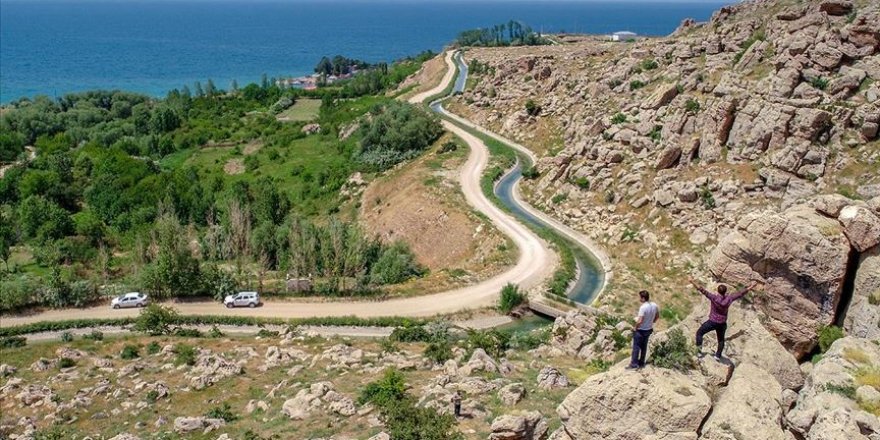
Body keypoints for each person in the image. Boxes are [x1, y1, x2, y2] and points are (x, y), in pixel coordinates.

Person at [689, 277, 759, 361]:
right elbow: (740, 293)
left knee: (699, 333)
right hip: (722, 323)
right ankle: (718, 356)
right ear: (725, 291)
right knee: (721, 340)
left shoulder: (714, 298)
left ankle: (699, 352)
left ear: (718, 291)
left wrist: (692, 281)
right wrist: (751, 286)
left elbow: (702, 290)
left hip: (712, 322)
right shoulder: (729, 298)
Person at [627, 290, 659, 370]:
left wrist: (635, 327)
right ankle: (641, 362)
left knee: (636, 347)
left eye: (640, 297)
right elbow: (657, 316)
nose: (639, 299)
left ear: (643, 298)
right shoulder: (654, 305)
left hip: (641, 330)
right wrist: (653, 321)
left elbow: (640, 320)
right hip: (649, 329)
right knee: (644, 347)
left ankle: (634, 364)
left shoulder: (643, 307)